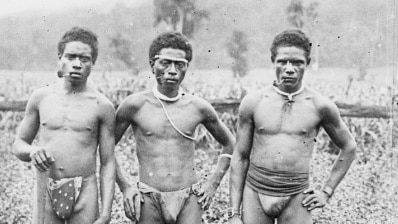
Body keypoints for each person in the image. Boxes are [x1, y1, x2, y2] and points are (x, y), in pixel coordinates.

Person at [228, 29, 357, 224]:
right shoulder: (253, 102)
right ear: (273, 61)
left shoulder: (320, 105)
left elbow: (349, 147)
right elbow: (240, 156)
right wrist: (234, 214)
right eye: (282, 62)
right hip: (256, 191)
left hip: (296, 195)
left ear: (307, 64)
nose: (289, 69)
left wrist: (326, 192)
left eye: (297, 62)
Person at [114, 32, 235, 224]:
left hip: (189, 198)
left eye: (179, 64)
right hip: (149, 196)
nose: (172, 70)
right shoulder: (134, 105)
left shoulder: (198, 107)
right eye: (165, 63)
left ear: (187, 67)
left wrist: (213, 184)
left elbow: (230, 143)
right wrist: (126, 187)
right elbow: (105, 148)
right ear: (152, 65)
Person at [13, 27, 116, 224]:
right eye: (71, 57)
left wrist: (106, 213)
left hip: (85, 189)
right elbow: (18, 144)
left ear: (93, 63)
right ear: (60, 58)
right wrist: (32, 150)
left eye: (84, 59)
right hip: (46, 186)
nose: (77, 64)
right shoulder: (41, 98)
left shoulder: (102, 106)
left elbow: (108, 161)